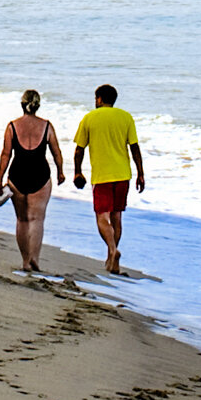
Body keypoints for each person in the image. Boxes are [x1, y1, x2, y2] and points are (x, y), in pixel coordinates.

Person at [72, 83, 146, 275]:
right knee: (117, 216)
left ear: (99, 99)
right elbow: (134, 147)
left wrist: (78, 172)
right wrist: (141, 173)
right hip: (123, 175)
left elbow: (79, 149)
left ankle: (112, 250)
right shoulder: (126, 117)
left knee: (102, 216)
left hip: (102, 175)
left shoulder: (89, 118)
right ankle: (111, 258)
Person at [0, 90, 67, 272]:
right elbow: (56, 152)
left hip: (17, 176)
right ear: (37, 105)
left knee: (22, 220)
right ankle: (35, 258)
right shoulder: (47, 126)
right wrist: (60, 172)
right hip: (40, 176)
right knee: (37, 220)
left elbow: (6, 154)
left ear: (22, 104)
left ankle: (25, 261)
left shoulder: (12, 126)